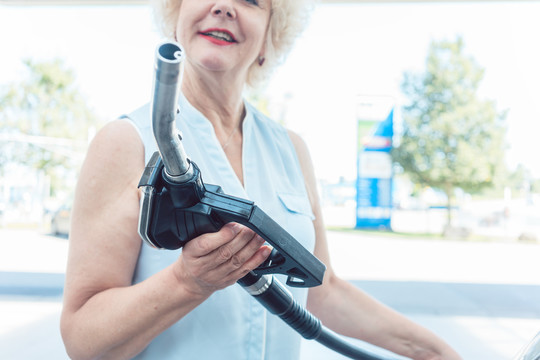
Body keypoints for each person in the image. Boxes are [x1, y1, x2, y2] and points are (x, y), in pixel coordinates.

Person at [60, 0, 462, 359]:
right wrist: (187, 282)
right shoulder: (126, 142)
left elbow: (321, 289)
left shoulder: (291, 149)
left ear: (271, 38)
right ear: (176, 14)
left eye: (251, 0)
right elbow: (83, 341)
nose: (224, 6)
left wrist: (430, 350)